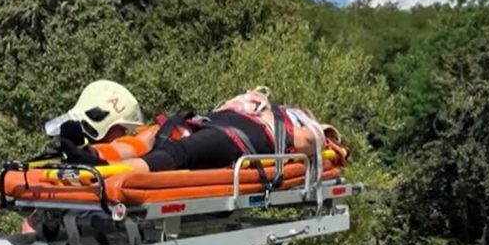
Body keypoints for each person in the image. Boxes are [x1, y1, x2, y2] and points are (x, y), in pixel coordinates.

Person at [50, 82, 345, 174]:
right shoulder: (278, 112)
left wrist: (320, 143)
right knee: (152, 135)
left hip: (240, 139)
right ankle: (93, 157)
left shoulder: (299, 128)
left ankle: (106, 170)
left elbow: (310, 143)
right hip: (213, 123)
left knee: (179, 151)